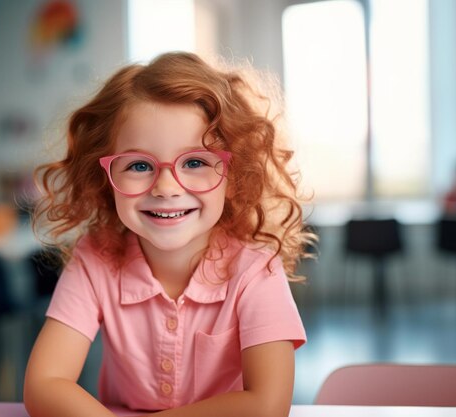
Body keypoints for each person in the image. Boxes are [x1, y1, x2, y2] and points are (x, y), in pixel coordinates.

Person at [24, 52, 315, 417]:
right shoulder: (95, 256)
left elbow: (267, 405)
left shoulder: (256, 268)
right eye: (139, 165)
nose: (165, 187)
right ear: (106, 178)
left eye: (195, 162)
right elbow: (43, 385)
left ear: (234, 173)